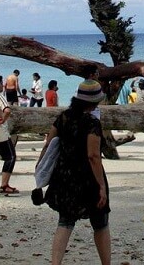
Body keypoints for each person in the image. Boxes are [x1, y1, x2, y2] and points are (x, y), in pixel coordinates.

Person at [39, 80, 110, 265]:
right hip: (88, 178)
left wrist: (40, 168)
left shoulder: (63, 117)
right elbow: (93, 155)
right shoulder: (92, 123)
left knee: (65, 221)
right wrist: (101, 185)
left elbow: (49, 143)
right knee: (100, 222)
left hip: (64, 175)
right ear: (95, 101)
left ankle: (55, 263)